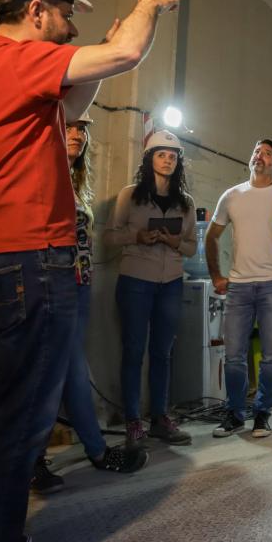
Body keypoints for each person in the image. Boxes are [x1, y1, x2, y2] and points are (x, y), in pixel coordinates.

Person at [0, 0, 177, 542]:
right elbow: (128, 54)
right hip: (27, 261)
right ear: (38, 9)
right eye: (67, 16)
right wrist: (146, 6)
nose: (73, 27)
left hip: (5, 261)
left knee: (6, 419)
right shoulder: (13, 58)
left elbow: (73, 102)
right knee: (18, 425)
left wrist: (107, 49)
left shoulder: (2, 74)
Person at [30, 111, 150, 496]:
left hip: (78, 285)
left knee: (70, 374)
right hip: (52, 285)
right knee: (58, 375)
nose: (79, 134)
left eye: (83, 129)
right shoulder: (39, 174)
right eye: (72, 126)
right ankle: (46, 459)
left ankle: (88, 451)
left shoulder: (75, 183)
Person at [107, 129, 197, 447]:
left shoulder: (185, 203)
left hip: (170, 283)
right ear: (150, 159)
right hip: (135, 280)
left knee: (163, 351)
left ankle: (159, 417)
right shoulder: (130, 195)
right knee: (134, 351)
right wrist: (138, 237)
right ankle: (134, 420)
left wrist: (174, 241)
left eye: (173, 157)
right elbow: (111, 236)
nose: (168, 160)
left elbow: (191, 248)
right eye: (162, 155)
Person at [206, 139, 272, 439]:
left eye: (267, 154)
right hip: (238, 287)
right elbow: (212, 236)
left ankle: (262, 414)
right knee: (235, 355)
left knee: (271, 356)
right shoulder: (232, 196)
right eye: (256, 151)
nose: (260, 156)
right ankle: (235, 414)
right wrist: (217, 275)